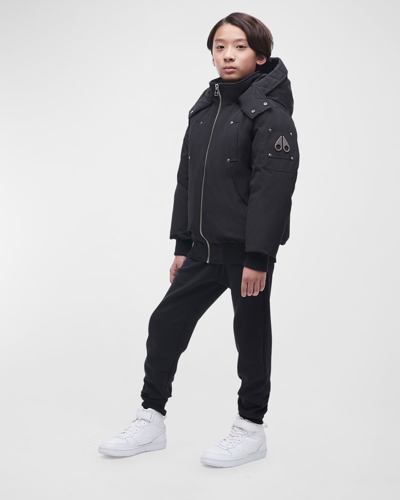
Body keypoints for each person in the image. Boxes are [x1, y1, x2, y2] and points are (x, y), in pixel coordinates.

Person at [98, 12, 300, 468]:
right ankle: (151, 418)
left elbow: (272, 191)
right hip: (204, 250)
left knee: (250, 340)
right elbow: (187, 180)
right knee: (165, 324)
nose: (228, 55)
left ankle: (251, 428)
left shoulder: (270, 116)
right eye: (219, 47)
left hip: (246, 255)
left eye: (240, 46)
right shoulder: (206, 109)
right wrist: (183, 245)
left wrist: (258, 256)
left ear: (260, 55)